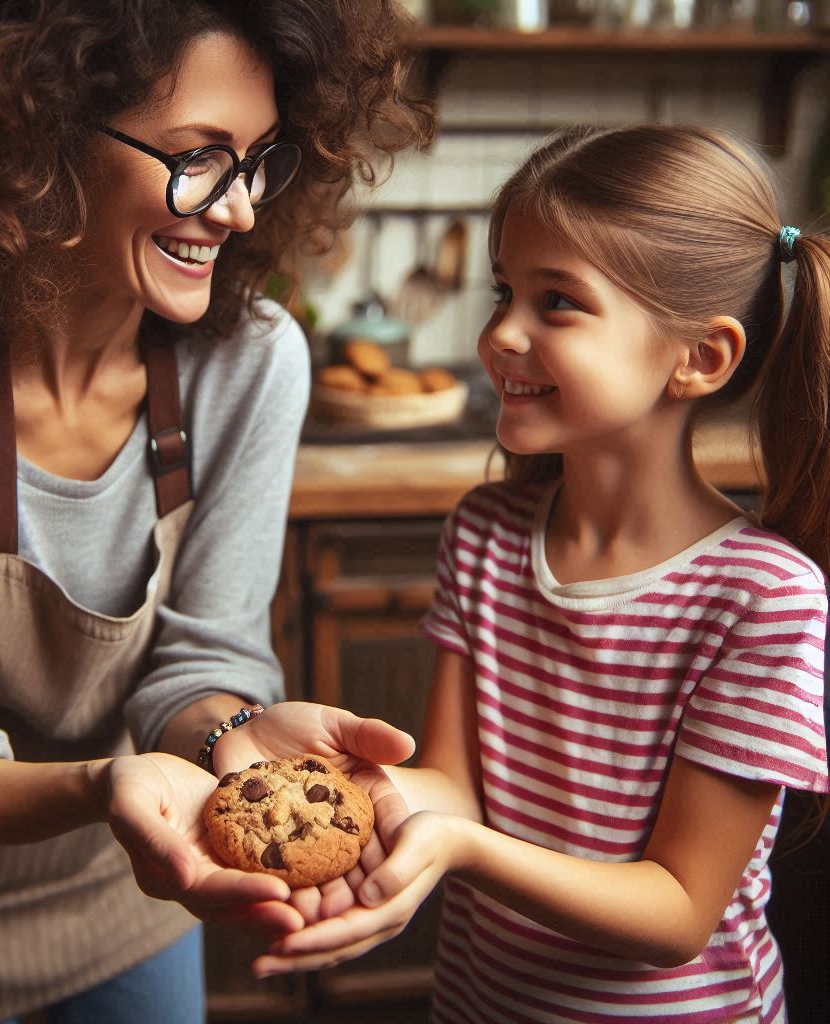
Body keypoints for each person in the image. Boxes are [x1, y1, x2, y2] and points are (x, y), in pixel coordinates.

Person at [0, 2, 434, 1022]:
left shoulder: (250, 363)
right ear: (29, 141)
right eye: (199, 156)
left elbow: (200, 656)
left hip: (130, 898)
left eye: (259, 161)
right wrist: (104, 786)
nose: (235, 211)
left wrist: (232, 732)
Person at [253, 124, 830, 1023]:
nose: (498, 334)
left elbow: (678, 911)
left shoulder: (760, 597)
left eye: (557, 301)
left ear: (699, 358)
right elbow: (451, 786)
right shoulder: (485, 535)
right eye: (504, 291)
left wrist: (461, 849)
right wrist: (358, 793)